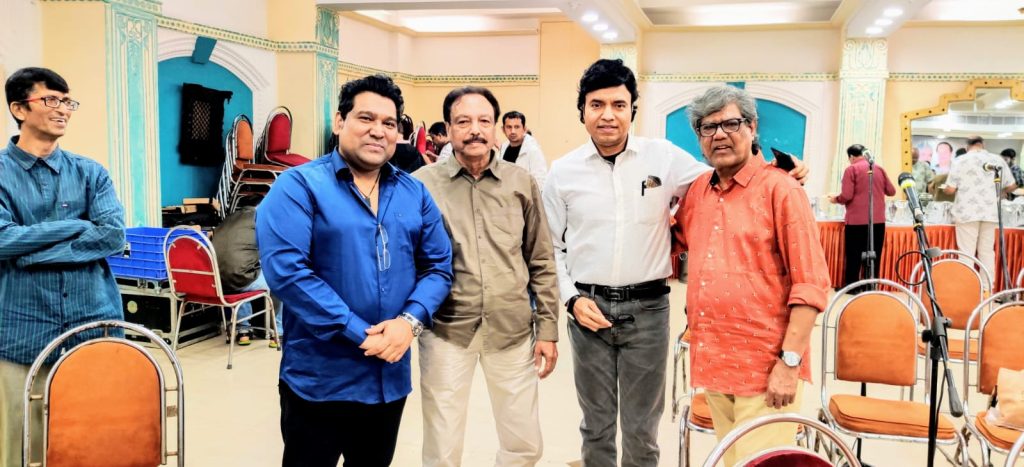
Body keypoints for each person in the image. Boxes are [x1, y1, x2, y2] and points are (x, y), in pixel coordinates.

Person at [543, 59, 807, 466]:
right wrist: (570, 299)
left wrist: (781, 172)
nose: (608, 114)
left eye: (618, 104)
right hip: (587, 310)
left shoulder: (663, 157)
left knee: (641, 429)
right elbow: (551, 248)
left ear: (632, 110)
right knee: (594, 425)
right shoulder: (562, 172)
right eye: (597, 105)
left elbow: (728, 177)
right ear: (582, 111)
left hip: (647, 311)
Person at [255, 74, 453, 467]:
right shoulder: (298, 187)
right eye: (366, 118)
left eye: (389, 123)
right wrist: (359, 332)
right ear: (339, 121)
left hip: (387, 380)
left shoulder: (414, 192)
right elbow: (288, 273)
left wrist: (409, 323)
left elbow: (439, 266)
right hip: (320, 382)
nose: (378, 131)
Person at [678, 85, 830, 466]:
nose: (719, 135)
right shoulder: (698, 192)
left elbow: (811, 285)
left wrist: (789, 364)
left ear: (752, 127)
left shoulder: (781, 190)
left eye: (730, 124)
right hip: (715, 363)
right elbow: (667, 241)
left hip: (765, 370)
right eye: (708, 127)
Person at [413, 87, 559, 467]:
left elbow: (541, 258)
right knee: (442, 446)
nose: (474, 130)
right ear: (448, 128)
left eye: (484, 121)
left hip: (512, 329)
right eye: (463, 121)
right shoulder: (421, 185)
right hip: (446, 330)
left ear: (496, 127)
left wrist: (547, 328)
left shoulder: (521, 182)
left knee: (523, 442)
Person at [0, 67, 126, 467]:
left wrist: (30, 252)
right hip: (23, 330)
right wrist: (75, 226)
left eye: (67, 101)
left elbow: (112, 236)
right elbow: (2, 240)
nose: (63, 109)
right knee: (22, 444)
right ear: (19, 109)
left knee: (95, 439)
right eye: (51, 100)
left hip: (94, 323)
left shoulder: (91, 173)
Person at [209, 196, 283, 347]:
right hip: (242, 279)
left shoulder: (227, 220)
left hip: (218, 282)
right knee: (280, 281)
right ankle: (278, 333)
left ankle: (243, 331)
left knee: (240, 270)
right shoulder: (260, 219)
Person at [944, 136, 1017, 279]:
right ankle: (987, 287)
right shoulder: (997, 160)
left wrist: (946, 189)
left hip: (967, 212)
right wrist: (999, 192)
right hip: (990, 211)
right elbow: (1012, 185)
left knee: (966, 253)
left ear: (967, 146)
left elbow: (950, 189)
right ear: (983, 144)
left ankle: (967, 286)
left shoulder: (960, 160)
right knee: (987, 252)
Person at [829, 144, 896, 291]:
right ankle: (870, 285)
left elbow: (847, 195)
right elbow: (891, 191)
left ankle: (852, 287)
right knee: (874, 254)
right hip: (878, 221)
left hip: (856, 222)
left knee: (854, 255)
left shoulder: (851, 169)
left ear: (851, 157)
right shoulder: (878, 168)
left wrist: (836, 199)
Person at [499, 110, 548, 188]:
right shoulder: (503, 148)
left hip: (524, 195)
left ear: (524, 129)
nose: (513, 131)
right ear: (503, 129)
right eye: (509, 127)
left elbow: (540, 182)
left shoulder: (533, 150)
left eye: (517, 127)